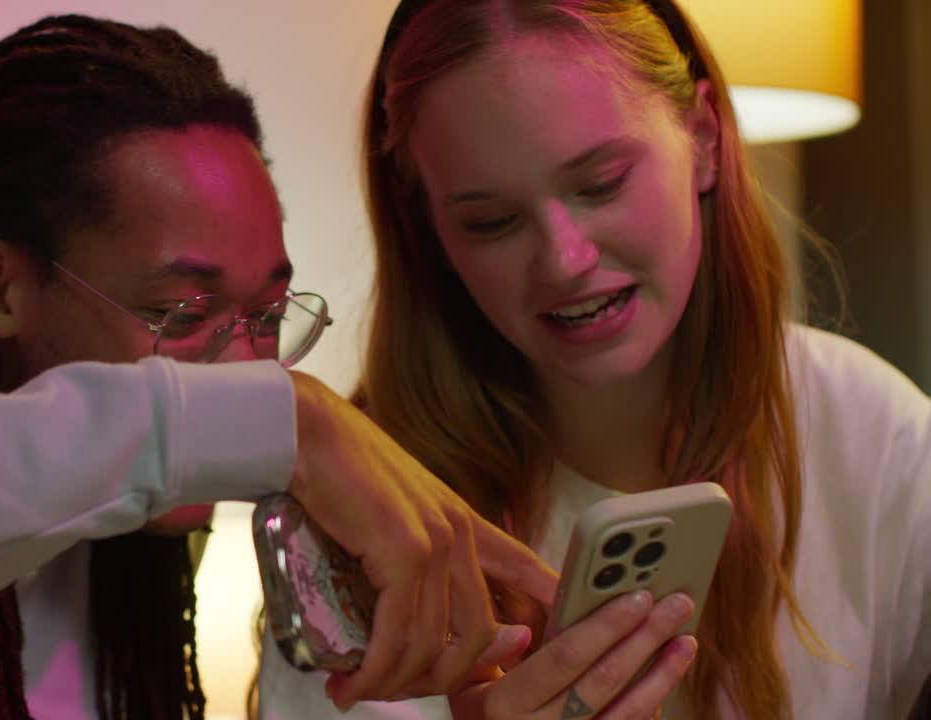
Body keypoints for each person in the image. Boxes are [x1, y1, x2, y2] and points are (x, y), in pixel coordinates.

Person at [0, 14, 559, 720]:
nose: (247, 366)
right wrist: (279, 421)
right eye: (184, 314)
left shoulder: (139, 527)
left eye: (269, 316)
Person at [256, 1, 931, 719]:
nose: (564, 260)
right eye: (492, 222)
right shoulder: (359, 534)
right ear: (429, 230)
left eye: (603, 183)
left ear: (703, 137)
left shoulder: (874, 438)